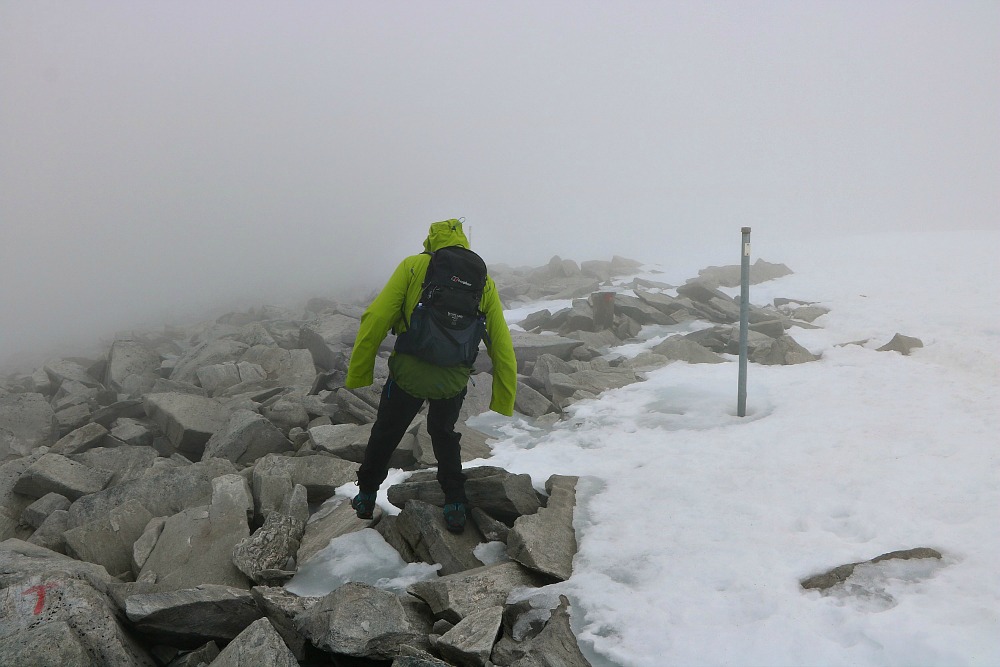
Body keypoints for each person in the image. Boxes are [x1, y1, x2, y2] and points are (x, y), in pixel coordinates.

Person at [344, 218, 517, 533]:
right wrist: (503, 398)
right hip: (452, 379)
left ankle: (366, 495)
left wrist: (359, 374)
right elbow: (500, 342)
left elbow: (376, 317)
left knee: (386, 432)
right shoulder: (483, 281)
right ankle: (454, 503)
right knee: (444, 434)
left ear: (431, 239)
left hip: (408, 373)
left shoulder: (413, 266)